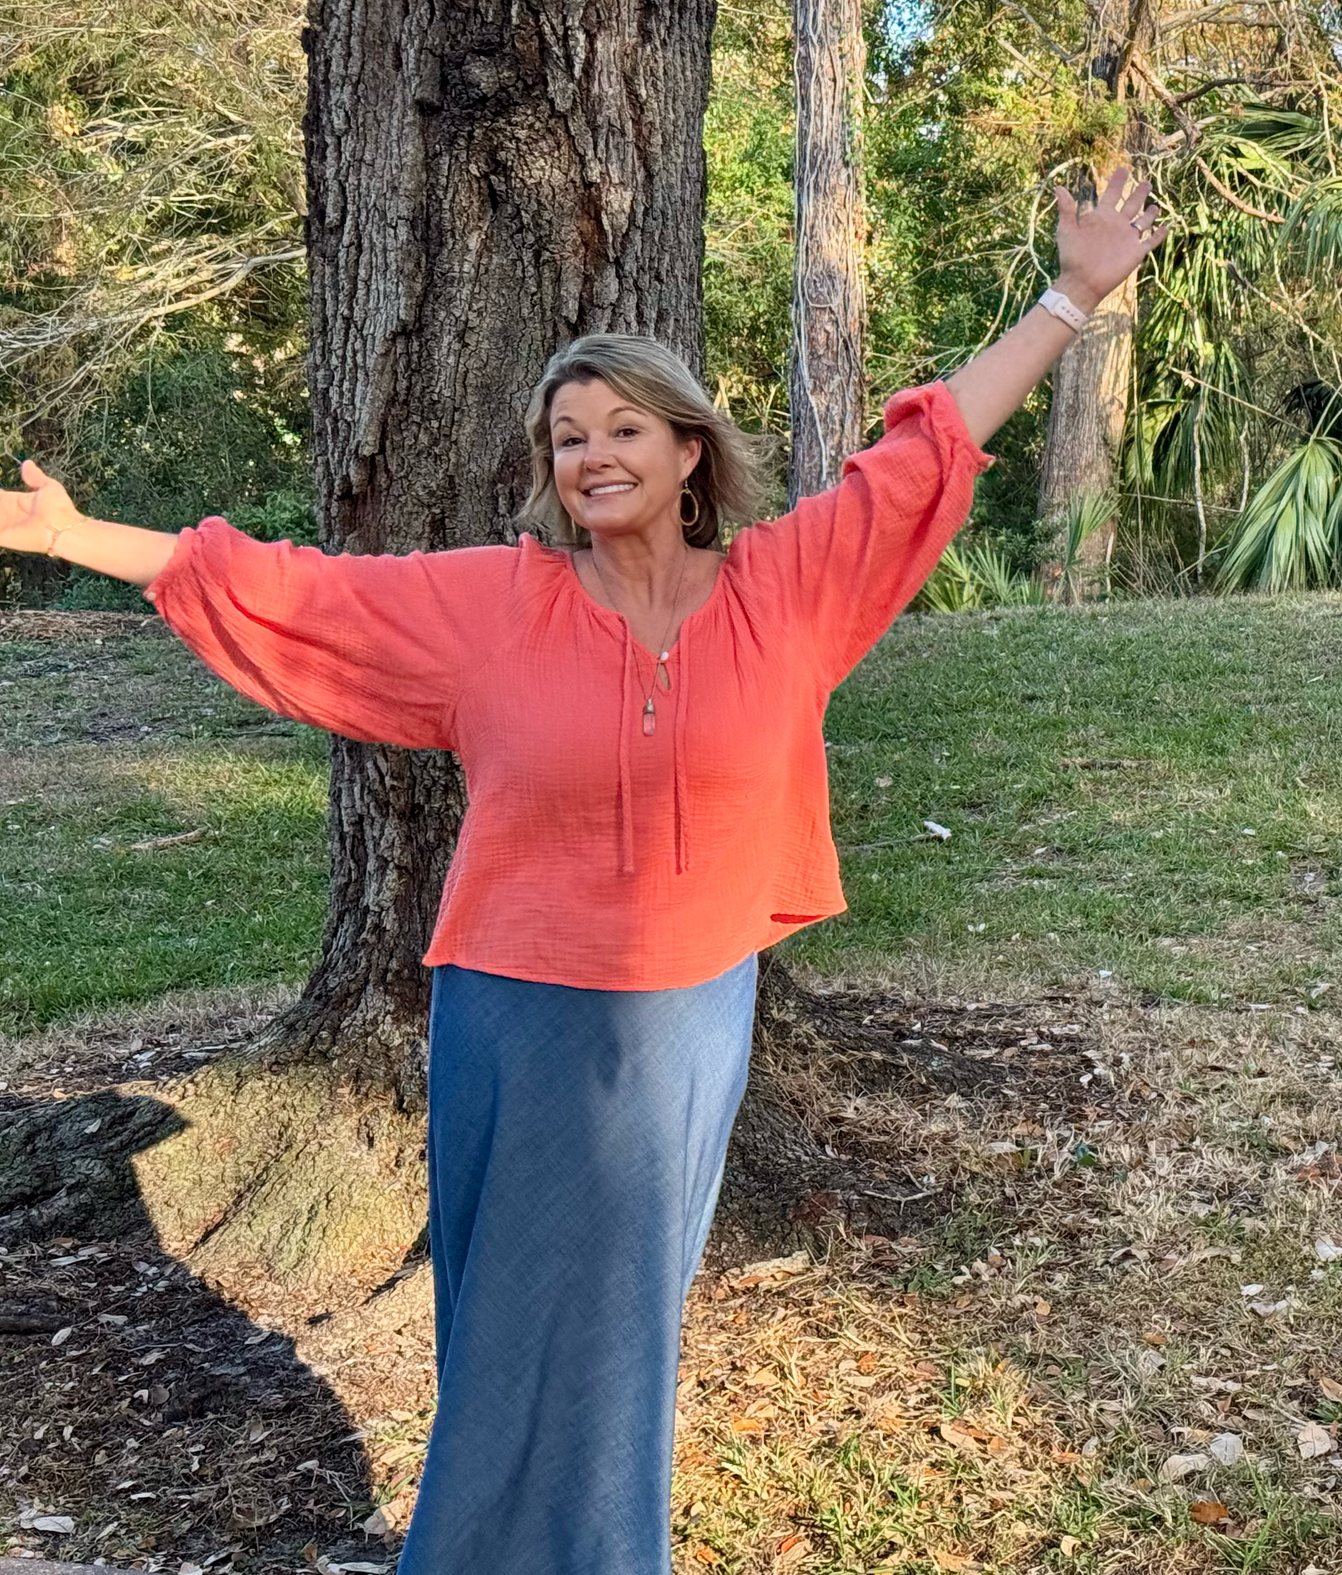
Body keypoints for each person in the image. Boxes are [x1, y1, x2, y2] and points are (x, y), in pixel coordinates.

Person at [0, 171, 1165, 1573]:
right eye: (567, 437)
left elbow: (926, 453)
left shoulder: (790, 588)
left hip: (686, 1017)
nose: (592, 455)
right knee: (510, 1318)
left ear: (688, 452)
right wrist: (75, 538)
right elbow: (297, 592)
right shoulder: (495, 605)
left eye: (622, 428)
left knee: (623, 1322)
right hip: (518, 1010)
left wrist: (1072, 295)